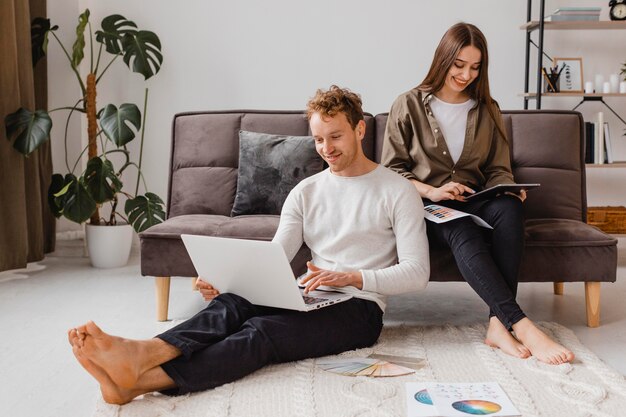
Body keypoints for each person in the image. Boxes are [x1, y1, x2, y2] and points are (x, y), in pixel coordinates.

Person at [68, 85, 430, 404]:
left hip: (359, 310)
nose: (326, 149)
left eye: (335, 137)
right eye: (319, 140)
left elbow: (417, 273)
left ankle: (143, 376)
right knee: (232, 304)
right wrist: (227, 283)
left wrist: (351, 277)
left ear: (360, 129)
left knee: (261, 333)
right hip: (308, 296)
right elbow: (273, 257)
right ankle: (143, 357)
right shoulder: (306, 191)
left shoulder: (396, 190)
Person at [381, 22, 574, 365]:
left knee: (510, 210)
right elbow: (391, 172)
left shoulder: (487, 109)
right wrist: (434, 190)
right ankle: (522, 324)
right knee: (461, 225)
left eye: (475, 67)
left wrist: (510, 189)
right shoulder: (407, 104)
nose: (466, 74)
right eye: (459, 65)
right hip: (425, 205)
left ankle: (498, 325)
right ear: (443, 59)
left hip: (474, 199)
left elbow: (499, 167)